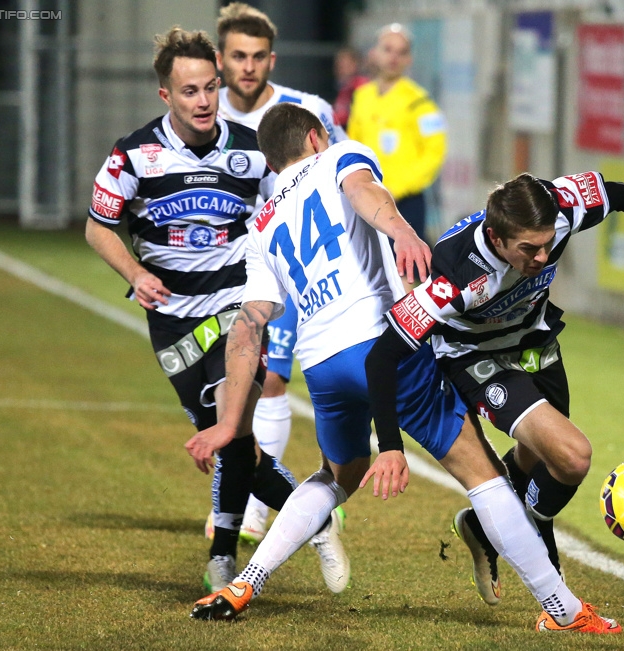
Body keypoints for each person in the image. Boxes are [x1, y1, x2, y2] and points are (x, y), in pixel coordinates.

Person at [186, 104, 623, 635]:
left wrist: (231, 423)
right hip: (382, 341)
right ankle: (565, 612)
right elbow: (364, 192)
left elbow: (248, 326)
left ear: (270, 160)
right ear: (315, 136)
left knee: (337, 474)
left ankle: (246, 581)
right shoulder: (339, 155)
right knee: (484, 476)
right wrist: (401, 231)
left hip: (321, 364)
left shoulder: (260, 226)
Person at [364, 171, 624, 614]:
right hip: (478, 359)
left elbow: (618, 192)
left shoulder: (561, 204)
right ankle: (550, 582)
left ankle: (484, 528)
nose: (543, 255)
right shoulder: (454, 276)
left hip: (537, 343)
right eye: (528, 250)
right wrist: (390, 446)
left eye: (548, 243)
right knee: (572, 458)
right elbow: (381, 357)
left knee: (543, 462)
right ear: (496, 238)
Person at [84, 26, 346, 596]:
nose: (202, 102)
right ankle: (269, 533)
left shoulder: (253, 149)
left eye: (209, 88)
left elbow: (295, 201)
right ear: (165, 96)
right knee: (227, 438)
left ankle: (275, 538)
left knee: (230, 435)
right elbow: (97, 225)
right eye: (188, 92)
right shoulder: (134, 154)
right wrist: (135, 272)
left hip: (237, 312)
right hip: (173, 319)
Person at [208, 2, 348, 545]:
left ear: (272, 59)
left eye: (259, 56)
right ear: (221, 59)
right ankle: (246, 491)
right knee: (228, 393)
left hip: (287, 267)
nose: (248, 66)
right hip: (221, 273)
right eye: (238, 56)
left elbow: (335, 171)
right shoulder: (207, 112)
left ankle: (252, 515)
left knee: (270, 381)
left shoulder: (306, 110)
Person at [347, 23, 445, 250]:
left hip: (405, 202)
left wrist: (398, 188)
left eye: (401, 52)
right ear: (374, 53)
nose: (394, 57)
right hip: (366, 197)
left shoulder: (420, 101)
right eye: (388, 49)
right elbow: (352, 144)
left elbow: (434, 153)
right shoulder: (362, 96)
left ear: (409, 59)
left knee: (405, 274)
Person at [332, 46, 368, 130]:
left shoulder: (361, 87)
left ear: (356, 65)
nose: (342, 70)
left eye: (346, 66)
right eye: (339, 66)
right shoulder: (342, 88)